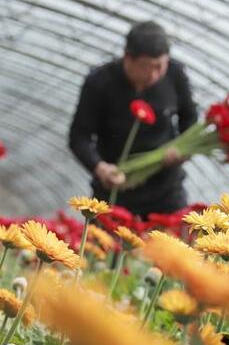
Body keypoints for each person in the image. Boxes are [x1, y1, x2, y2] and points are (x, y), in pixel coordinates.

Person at [68, 20, 198, 218]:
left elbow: (189, 120)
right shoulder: (100, 81)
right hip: (114, 189)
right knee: (103, 246)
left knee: (172, 248)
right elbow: (79, 137)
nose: (154, 74)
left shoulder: (175, 75)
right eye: (147, 67)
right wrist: (100, 167)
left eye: (160, 66)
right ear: (128, 57)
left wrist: (182, 149)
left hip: (166, 192)